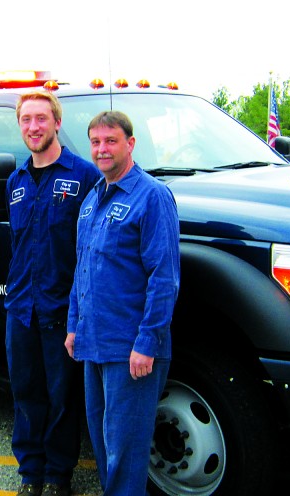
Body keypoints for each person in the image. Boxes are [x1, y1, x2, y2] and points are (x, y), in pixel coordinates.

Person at [65, 110, 180, 495]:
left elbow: (164, 279)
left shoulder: (153, 197)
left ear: (130, 144)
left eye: (111, 141)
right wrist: (72, 324)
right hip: (94, 344)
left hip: (130, 350)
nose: (102, 149)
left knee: (126, 452)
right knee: (102, 444)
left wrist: (147, 343)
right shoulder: (92, 199)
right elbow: (83, 267)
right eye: (95, 142)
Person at [4, 92, 100, 496]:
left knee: (62, 399)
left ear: (57, 123)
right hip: (21, 309)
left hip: (62, 310)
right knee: (25, 392)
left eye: (41, 118)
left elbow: (91, 250)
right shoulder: (16, 181)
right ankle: (30, 471)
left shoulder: (84, 177)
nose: (33, 127)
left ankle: (59, 474)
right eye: (26, 119)